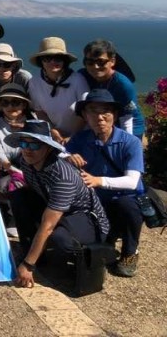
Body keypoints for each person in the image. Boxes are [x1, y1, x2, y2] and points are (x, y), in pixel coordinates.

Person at [4, 119, 110, 289]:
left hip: (87, 219)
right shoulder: (26, 162)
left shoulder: (62, 176)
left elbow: (48, 225)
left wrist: (28, 265)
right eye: (24, 144)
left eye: (35, 145)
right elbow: (32, 191)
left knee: (58, 237)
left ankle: (76, 259)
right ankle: (31, 250)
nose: (28, 150)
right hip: (57, 207)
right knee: (19, 197)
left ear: (48, 148)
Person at [66, 89, 146, 277]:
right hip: (95, 200)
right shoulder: (80, 139)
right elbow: (61, 153)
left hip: (123, 198)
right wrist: (68, 157)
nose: (99, 117)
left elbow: (132, 181)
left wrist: (98, 181)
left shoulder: (130, 142)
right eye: (93, 111)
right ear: (85, 115)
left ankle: (130, 251)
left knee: (128, 206)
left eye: (106, 111)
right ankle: (106, 238)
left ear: (115, 115)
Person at [78, 39, 144, 140]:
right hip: (102, 123)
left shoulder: (122, 84)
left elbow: (127, 118)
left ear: (112, 61)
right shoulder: (83, 76)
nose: (95, 66)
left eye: (101, 62)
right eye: (90, 62)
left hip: (129, 125)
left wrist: (127, 142)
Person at [27, 37, 89, 142]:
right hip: (55, 137)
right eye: (47, 58)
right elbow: (39, 111)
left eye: (58, 58)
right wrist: (53, 131)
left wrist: (73, 137)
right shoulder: (34, 82)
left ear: (65, 60)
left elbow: (86, 111)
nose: (53, 62)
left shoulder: (78, 80)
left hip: (82, 135)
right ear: (41, 61)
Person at [0, 83, 34, 193]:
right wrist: (14, 171)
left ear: (24, 104)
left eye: (15, 102)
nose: (10, 106)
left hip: (34, 173)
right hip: (5, 173)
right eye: (5, 103)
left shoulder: (35, 124)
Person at [0, 43, 32, 121]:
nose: (2, 69)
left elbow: (33, 105)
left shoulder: (24, 78)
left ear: (14, 65)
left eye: (7, 64)